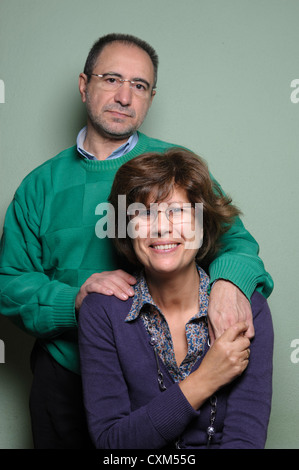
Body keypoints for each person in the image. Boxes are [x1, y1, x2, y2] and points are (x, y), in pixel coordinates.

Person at [0, 33, 273, 449]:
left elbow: (235, 242)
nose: (124, 96)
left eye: (140, 86)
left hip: (154, 379)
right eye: (111, 79)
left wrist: (228, 284)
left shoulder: (175, 169)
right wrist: (72, 300)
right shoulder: (39, 186)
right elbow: (8, 283)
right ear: (84, 84)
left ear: (150, 97)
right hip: (65, 376)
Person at [78, 148, 274, 449]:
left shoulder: (249, 308)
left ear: (203, 223)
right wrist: (205, 378)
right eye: (143, 214)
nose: (161, 227)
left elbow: (244, 440)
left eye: (178, 211)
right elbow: (111, 444)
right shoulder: (101, 311)